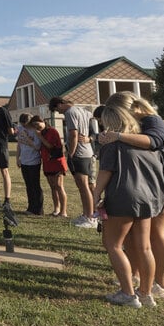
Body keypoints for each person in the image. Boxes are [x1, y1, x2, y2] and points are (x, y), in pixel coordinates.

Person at [100, 92, 164, 299]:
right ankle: (137, 279)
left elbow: (156, 142)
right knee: (137, 239)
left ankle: (161, 285)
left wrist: (116, 136)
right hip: (142, 183)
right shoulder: (134, 126)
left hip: (157, 184)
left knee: (155, 234)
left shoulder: (152, 120)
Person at [94, 106, 164, 308]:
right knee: (144, 247)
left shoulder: (112, 145)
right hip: (147, 199)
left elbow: (105, 172)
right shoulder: (146, 145)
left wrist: (95, 195)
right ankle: (145, 293)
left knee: (113, 245)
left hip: (122, 197)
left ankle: (127, 293)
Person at [49, 97, 97, 228]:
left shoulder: (70, 112)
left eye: (57, 110)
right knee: (85, 186)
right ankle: (87, 213)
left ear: (60, 104)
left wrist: (70, 153)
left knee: (83, 186)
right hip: (88, 152)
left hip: (79, 154)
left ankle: (90, 218)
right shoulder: (84, 111)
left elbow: (73, 134)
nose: (59, 113)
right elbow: (94, 130)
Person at [30, 116, 68, 217]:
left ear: (43, 121)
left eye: (37, 124)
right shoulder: (40, 133)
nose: (36, 127)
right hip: (47, 163)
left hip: (56, 162)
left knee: (59, 186)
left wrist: (40, 137)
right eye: (34, 125)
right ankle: (56, 209)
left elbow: (51, 146)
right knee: (52, 187)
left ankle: (63, 211)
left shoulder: (52, 131)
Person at [15, 112, 44, 215]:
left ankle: (39, 209)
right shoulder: (21, 129)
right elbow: (19, 145)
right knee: (28, 185)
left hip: (34, 161)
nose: (24, 126)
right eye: (22, 124)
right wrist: (18, 158)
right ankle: (31, 207)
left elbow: (37, 146)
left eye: (25, 124)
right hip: (24, 161)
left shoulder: (35, 131)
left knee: (35, 185)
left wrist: (27, 138)